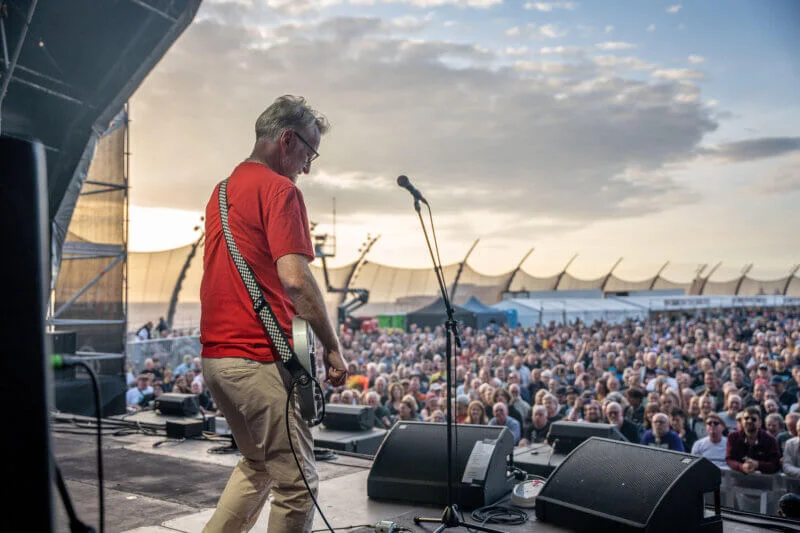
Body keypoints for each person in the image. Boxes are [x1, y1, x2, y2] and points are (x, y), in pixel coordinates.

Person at [199, 95, 347, 533]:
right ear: (287, 140)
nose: (308, 166)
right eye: (309, 152)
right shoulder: (280, 190)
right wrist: (333, 349)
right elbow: (296, 280)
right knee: (298, 488)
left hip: (218, 361)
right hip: (257, 360)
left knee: (258, 465)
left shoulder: (222, 191)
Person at [725, 406, 781, 475]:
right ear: (742, 421)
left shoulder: (770, 440)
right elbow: (729, 459)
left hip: (764, 480)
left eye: (753, 419)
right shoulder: (733, 437)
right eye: (746, 418)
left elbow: (775, 464)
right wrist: (741, 466)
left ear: (760, 422)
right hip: (738, 479)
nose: (749, 421)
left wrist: (757, 465)